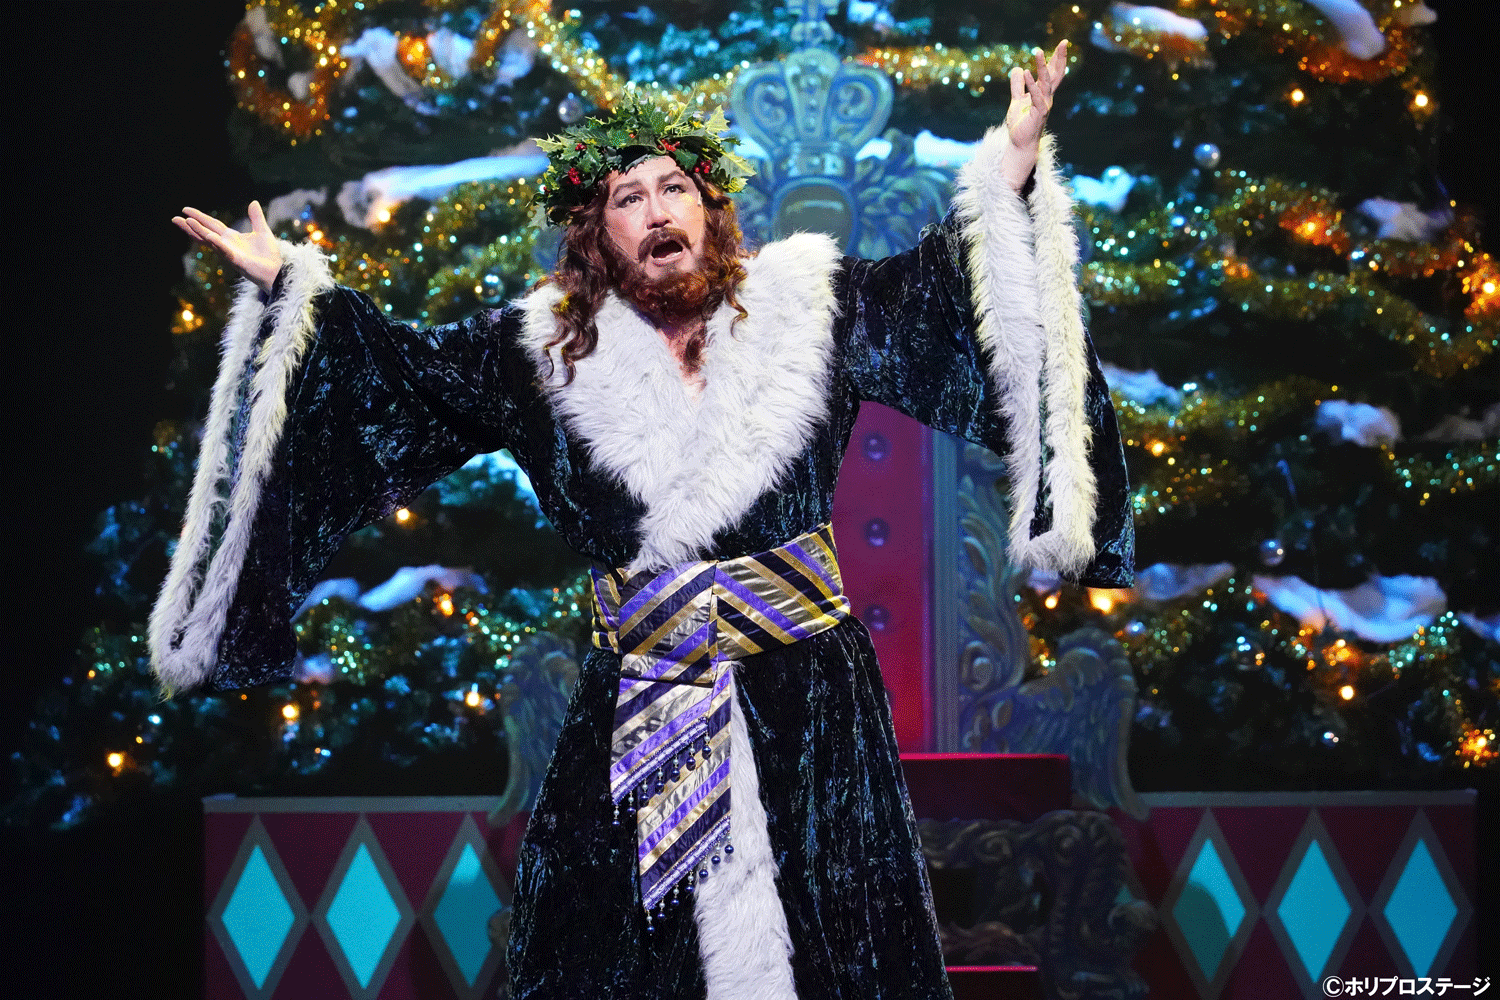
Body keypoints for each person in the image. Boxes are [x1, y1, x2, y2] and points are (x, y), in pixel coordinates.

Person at [156, 41, 1132, 1000]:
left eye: (675, 189)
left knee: (833, 950)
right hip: (639, 696)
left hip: (811, 708)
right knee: (622, 959)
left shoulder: (812, 309)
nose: (658, 212)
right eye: (629, 199)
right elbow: (396, 378)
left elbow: (946, 296)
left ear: (710, 209)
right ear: (598, 234)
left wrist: (1010, 165)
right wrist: (289, 289)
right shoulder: (536, 354)